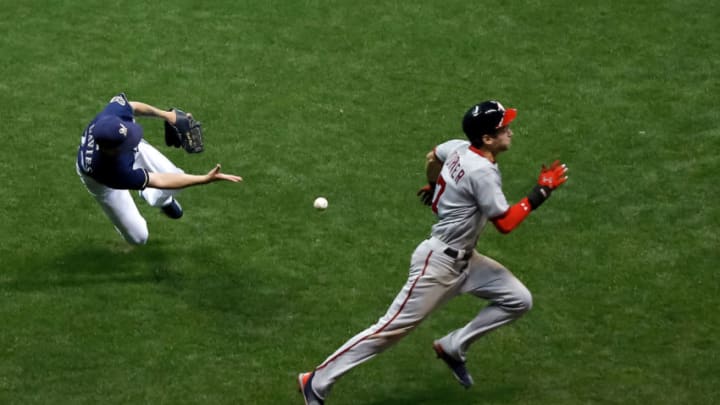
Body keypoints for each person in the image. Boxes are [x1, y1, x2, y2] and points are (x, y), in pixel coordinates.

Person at [298, 100, 568, 404]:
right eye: (503, 127)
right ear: (487, 139)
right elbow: (504, 223)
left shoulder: (458, 148)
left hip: (467, 261)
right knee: (389, 330)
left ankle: (454, 346)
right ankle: (316, 381)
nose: (510, 131)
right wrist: (540, 191)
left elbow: (432, 156)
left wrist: (432, 184)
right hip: (438, 265)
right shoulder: (482, 172)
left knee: (518, 300)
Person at [76, 93, 242, 245]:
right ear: (111, 149)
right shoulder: (111, 173)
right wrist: (204, 179)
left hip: (119, 157)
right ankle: (143, 192)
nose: (132, 139)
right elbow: (160, 180)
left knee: (177, 176)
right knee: (139, 238)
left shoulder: (111, 115)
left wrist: (168, 116)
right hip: (103, 184)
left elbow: (132, 106)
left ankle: (163, 201)